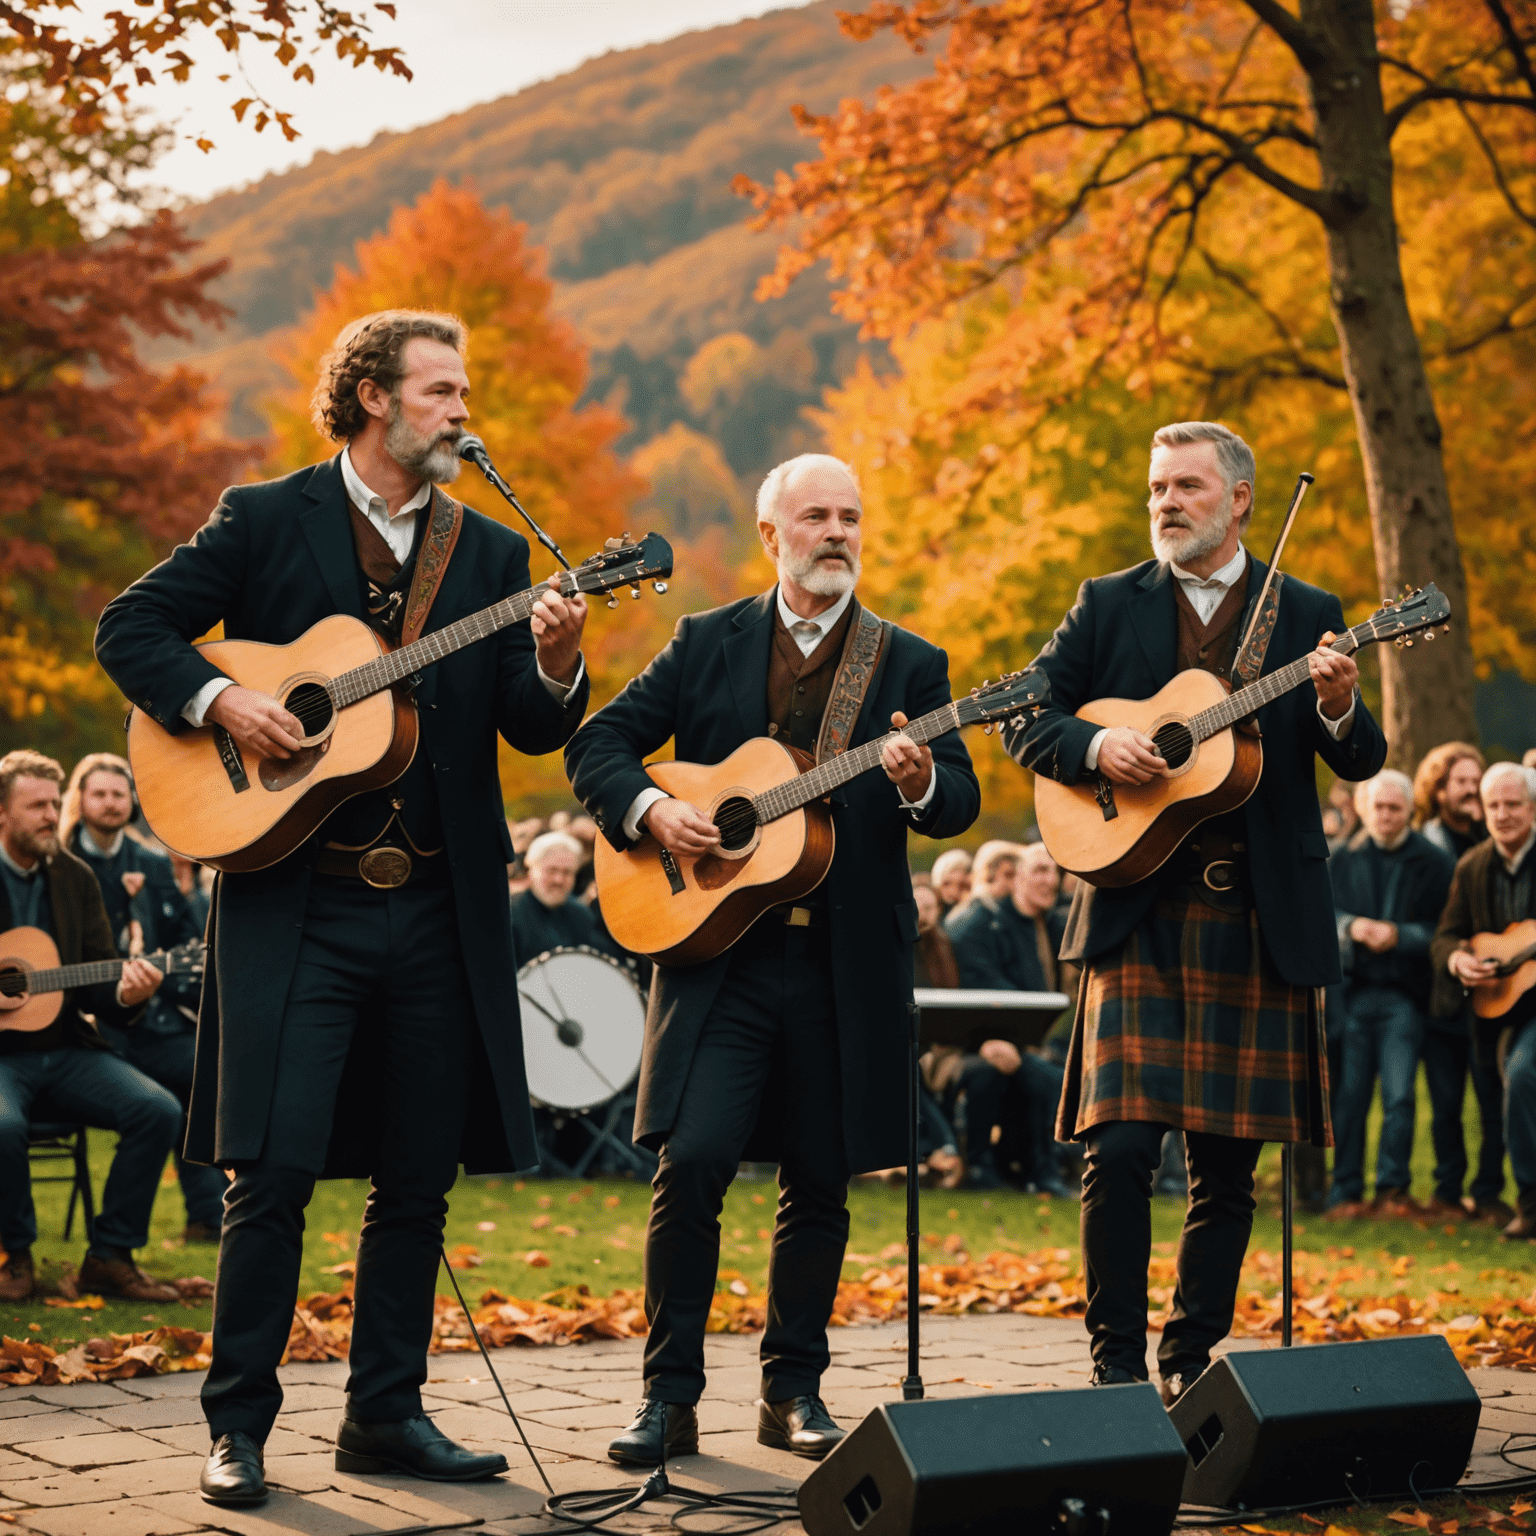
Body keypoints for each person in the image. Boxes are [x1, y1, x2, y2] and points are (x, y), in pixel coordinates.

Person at [94, 309, 591, 1507]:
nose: (462, 412)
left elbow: (527, 723)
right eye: (441, 392)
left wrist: (564, 661)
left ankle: (385, 1416)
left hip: (435, 904)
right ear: (371, 397)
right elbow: (132, 628)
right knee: (270, 1172)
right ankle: (238, 1428)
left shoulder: (485, 551)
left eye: (464, 393)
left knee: (416, 1177)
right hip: (294, 901)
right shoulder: (265, 518)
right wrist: (223, 702)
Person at [566, 451, 980, 1465]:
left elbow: (959, 800)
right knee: (693, 1162)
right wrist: (658, 808)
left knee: (821, 1179)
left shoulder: (908, 663)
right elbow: (599, 747)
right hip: (718, 962)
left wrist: (924, 780)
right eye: (816, 518)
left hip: (843, 965)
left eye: (850, 517)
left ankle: (792, 1391)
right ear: (772, 536)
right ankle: (667, 1398)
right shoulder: (706, 641)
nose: (836, 532)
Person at [1005, 420, 1386, 1404]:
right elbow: (1028, 717)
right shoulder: (1106, 604)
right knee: (1120, 1148)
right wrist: (1096, 751)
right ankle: (1115, 1361)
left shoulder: (1306, 610)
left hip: (1257, 916)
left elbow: (1361, 756)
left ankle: (1190, 1354)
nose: (1166, 503)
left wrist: (1339, 705)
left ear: (1241, 499)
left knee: (1226, 1167)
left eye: (1186, 487)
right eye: (1157, 489)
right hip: (1139, 904)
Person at [0, 750, 183, 1304]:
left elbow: (102, 977)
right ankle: (16, 1255)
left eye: (55, 804)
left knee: (157, 1109)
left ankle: (110, 1256)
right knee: (3, 1127)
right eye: (36, 806)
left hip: (66, 1049)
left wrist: (128, 990)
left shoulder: (74, 878)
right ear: (3, 813)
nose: (51, 816)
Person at [59, 753, 225, 1243]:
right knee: (169, 1095)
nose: (111, 803)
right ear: (81, 800)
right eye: (100, 794)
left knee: (207, 1069)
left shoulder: (152, 861)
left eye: (119, 793)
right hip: (88, 1032)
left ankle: (208, 1216)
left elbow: (186, 941)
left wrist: (158, 977)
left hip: (152, 1023)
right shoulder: (59, 859)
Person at [1324, 771, 1453, 1218]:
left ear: (1409, 812)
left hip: (1404, 996)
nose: (1385, 816)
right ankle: (1345, 1190)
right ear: (1362, 809)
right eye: (1377, 807)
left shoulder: (1435, 863)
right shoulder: (1339, 858)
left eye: (1394, 808)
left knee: (1399, 1096)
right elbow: (1322, 913)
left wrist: (1400, 935)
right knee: (1350, 1097)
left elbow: (1446, 931)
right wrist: (1350, 927)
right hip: (1353, 993)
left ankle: (1392, 1190)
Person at [1431, 763, 1536, 1239]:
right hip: (1502, 1007)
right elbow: (1446, 935)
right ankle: (1528, 1202)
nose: (1502, 814)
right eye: (1494, 805)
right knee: (1506, 1088)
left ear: (1532, 808)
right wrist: (1458, 960)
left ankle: (1529, 1202)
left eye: (1512, 804)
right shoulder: (1472, 865)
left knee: (1522, 1073)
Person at [510, 830, 615, 962]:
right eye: (551, 870)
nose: (558, 880)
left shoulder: (581, 915)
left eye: (567, 872)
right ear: (531, 870)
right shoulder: (510, 915)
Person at [1416, 743, 1487, 863]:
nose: (1472, 789)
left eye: (1476, 781)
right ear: (1438, 789)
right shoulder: (1425, 844)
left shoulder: (1491, 835)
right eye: (1461, 781)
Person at [930, 848, 972, 917]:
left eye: (962, 885)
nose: (952, 891)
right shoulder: (936, 911)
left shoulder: (974, 905)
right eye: (946, 884)